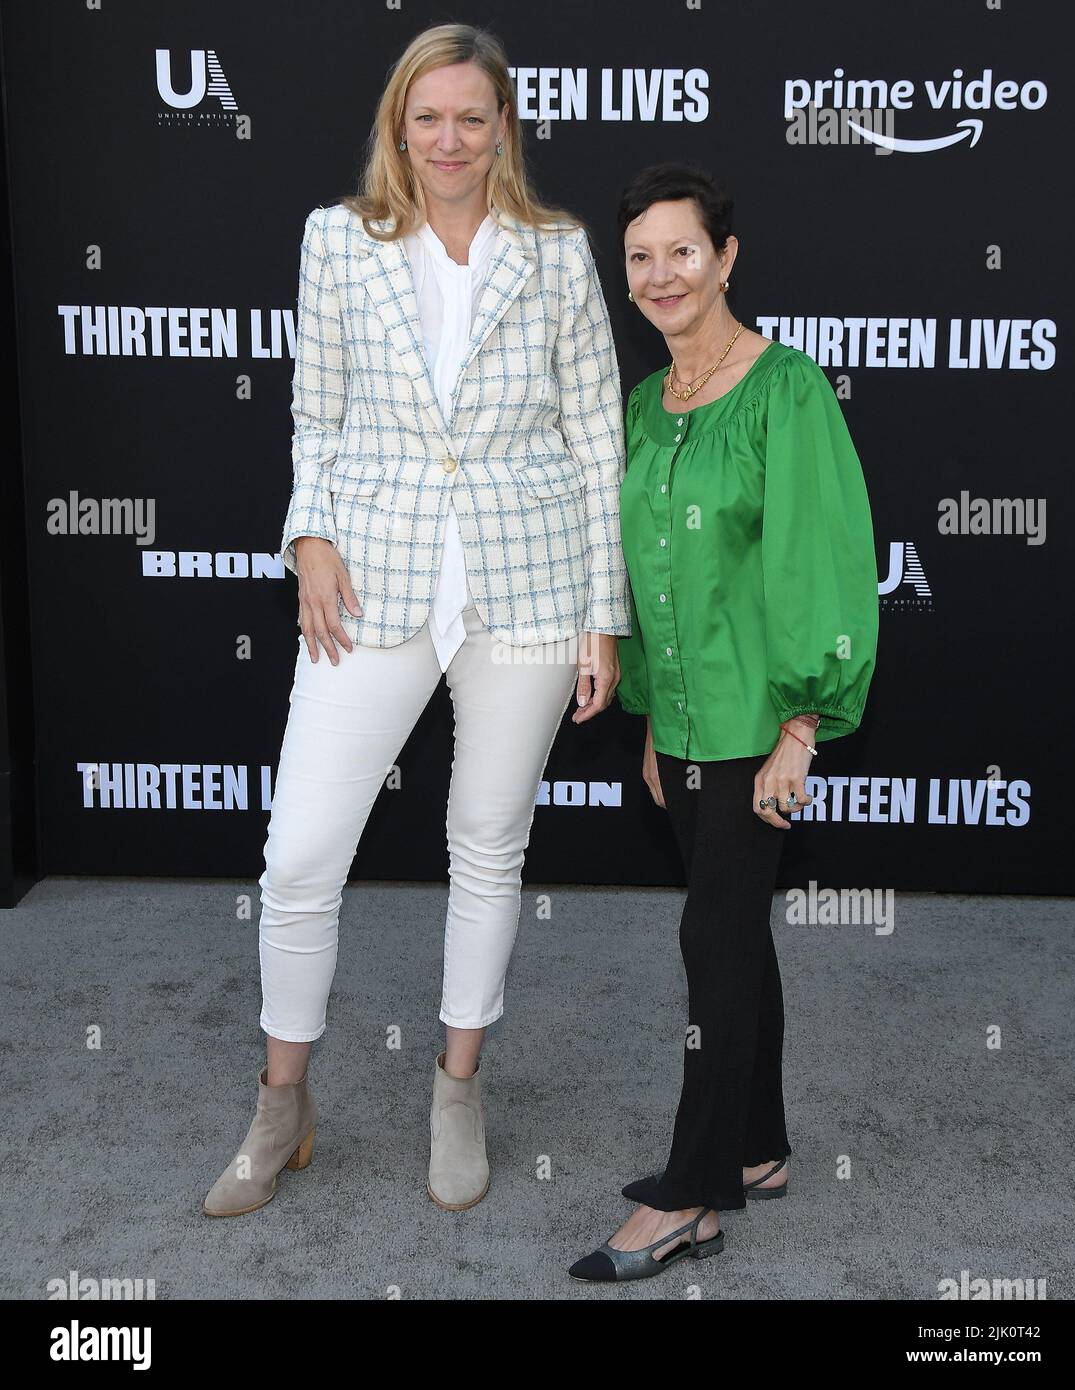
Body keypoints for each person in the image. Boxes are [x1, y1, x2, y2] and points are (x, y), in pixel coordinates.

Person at [203, 23, 630, 1219]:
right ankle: (282, 1102)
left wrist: (604, 617)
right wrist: (310, 536)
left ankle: (457, 1087)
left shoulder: (555, 251)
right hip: (372, 576)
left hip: (530, 580)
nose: (448, 140)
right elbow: (314, 413)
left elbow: (597, 438)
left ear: (503, 129)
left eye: (471, 118)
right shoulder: (335, 241)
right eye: (426, 117)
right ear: (399, 124)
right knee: (296, 858)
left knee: (486, 843)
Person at [568, 162, 879, 1282]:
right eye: (640, 256)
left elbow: (818, 565)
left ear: (725, 258)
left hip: (761, 725)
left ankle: (693, 1191)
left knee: (710, 940)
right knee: (734, 935)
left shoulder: (784, 390)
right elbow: (648, 582)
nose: (660, 274)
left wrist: (802, 726)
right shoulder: (646, 407)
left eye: (681, 251)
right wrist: (651, 717)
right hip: (689, 725)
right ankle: (756, 1148)